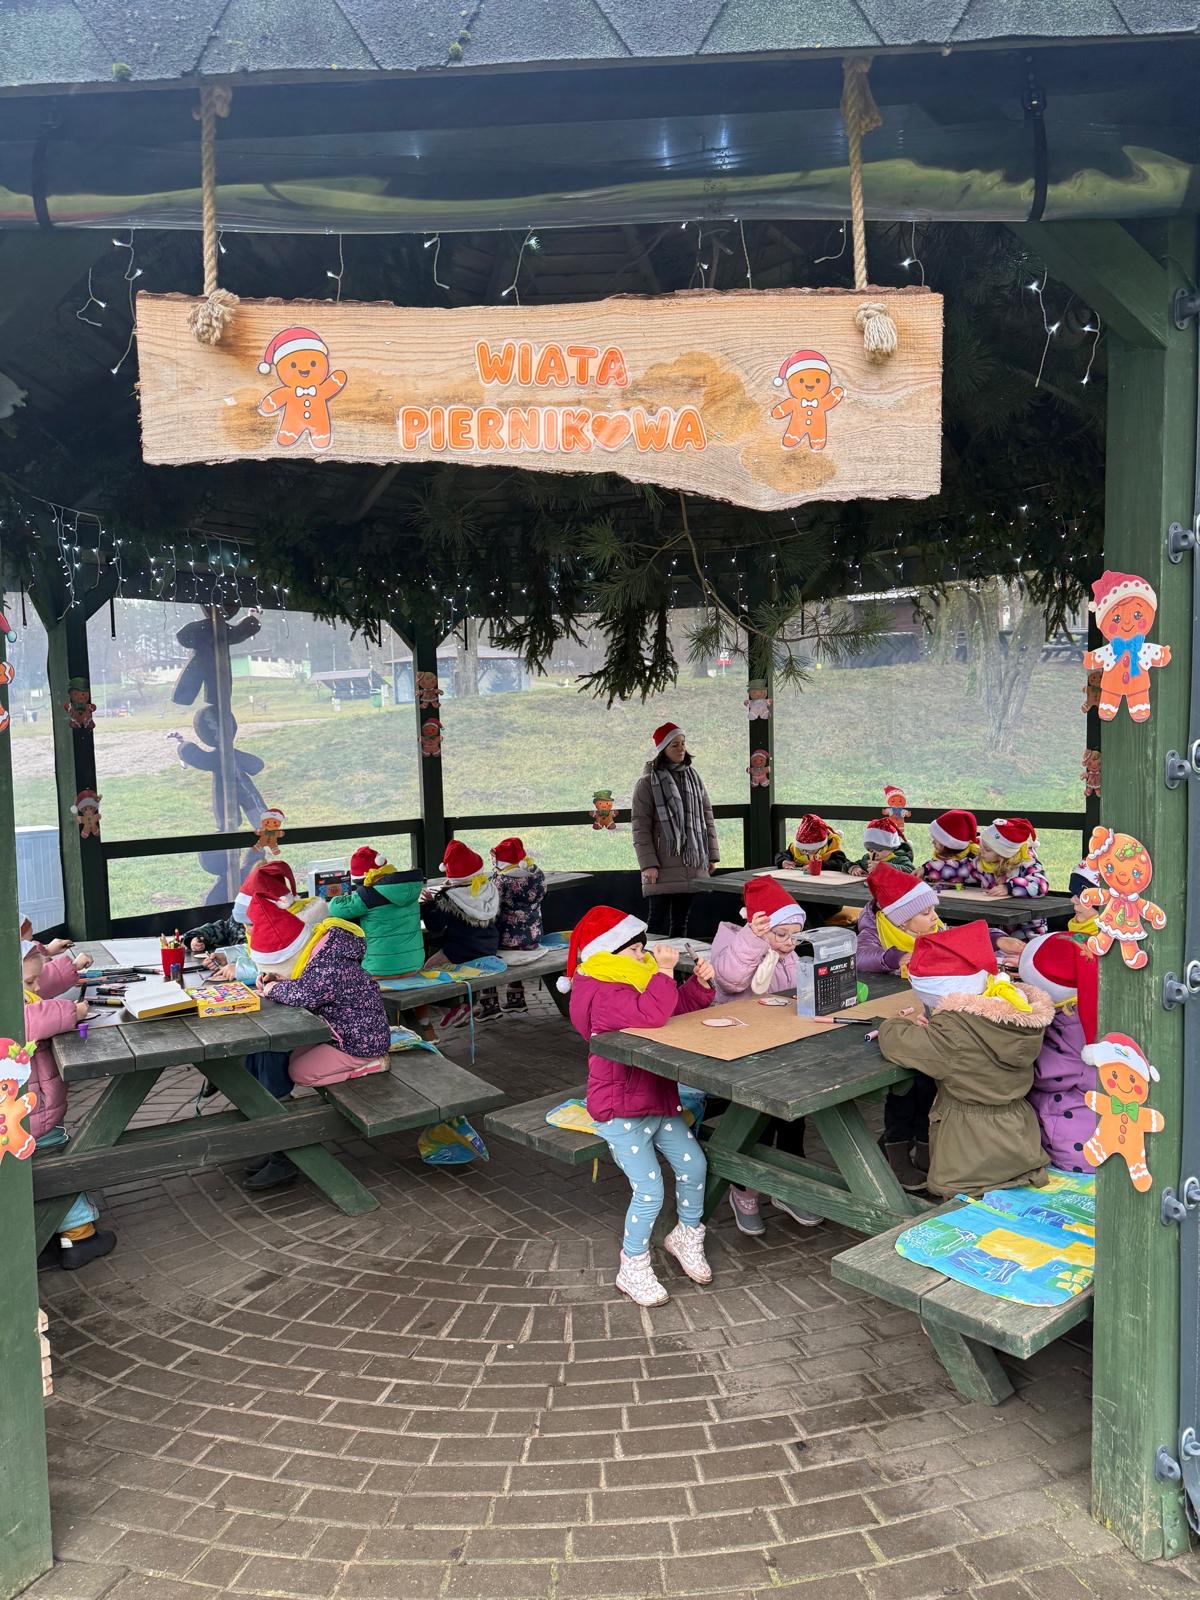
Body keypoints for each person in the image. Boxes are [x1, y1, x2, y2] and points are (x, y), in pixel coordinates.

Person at [562, 904, 716, 1306]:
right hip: (620, 1109)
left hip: (655, 1099)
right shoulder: (601, 990)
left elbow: (669, 1010)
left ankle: (686, 1234)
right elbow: (652, 1013)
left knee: (694, 1165)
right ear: (608, 953)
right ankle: (632, 1264)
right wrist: (663, 972)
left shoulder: (632, 978)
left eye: (642, 948)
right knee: (649, 1190)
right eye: (634, 949)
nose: (643, 955)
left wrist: (697, 986)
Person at [875, 920, 1051, 1199]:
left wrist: (899, 1022)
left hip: (969, 1148)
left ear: (941, 997)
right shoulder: (1015, 1013)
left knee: (968, 1199)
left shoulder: (951, 1036)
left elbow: (896, 1042)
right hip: (1020, 1137)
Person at [242, 894, 390, 1190]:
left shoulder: (328, 967)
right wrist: (275, 980)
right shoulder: (321, 954)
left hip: (360, 1043)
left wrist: (272, 989)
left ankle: (370, 1065)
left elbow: (307, 993)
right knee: (281, 1057)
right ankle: (279, 1143)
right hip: (343, 1033)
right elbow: (304, 983)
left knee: (298, 1073)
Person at [709, 877, 820, 1234]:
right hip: (742, 1050)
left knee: (793, 1118)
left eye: (795, 936)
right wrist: (754, 940)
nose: (790, 942)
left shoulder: (787, 954)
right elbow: (730, 981)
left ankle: (788, 1186)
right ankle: (745, 1190)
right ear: (757, 926)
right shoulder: (734, 944)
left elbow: (791, 994)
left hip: (779, 1047)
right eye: (781, 934)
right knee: (754, 1120)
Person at [22, 940, 117, 1268]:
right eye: (30, 982)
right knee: (60, 1167)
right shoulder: (10, 1007)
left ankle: (46, 1232)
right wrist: (71, 1012)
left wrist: (68, 967)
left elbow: (41, 982)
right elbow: (30, 1020)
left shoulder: (19, 986)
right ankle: (79, 1237)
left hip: (28, 1112)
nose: (37, 987)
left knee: (38, 1169)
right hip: (31, 1115)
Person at [856, 863, 944, 1190]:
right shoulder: (876, 931)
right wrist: (895, 957)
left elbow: (956, 942)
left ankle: (925, 1147)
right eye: (926, 912)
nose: (935, 917)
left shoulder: (935, 930)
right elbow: (861, 956)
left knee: (929, 1086)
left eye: (933, 909)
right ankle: (896, 1150)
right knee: (903, 1090)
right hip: (891, 1021)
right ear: (902, 920)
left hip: (925, 1019)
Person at [1019, 933, 1099, 1174]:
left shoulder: (1069, 1029)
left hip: (1072, 1141)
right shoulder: (1090, 1011)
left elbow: (1045, 1075)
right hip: (1094, 1127)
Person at [631, 722, 719, 939]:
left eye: (683, 743)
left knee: (681, 922)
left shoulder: (694, 778)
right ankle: (647, 960)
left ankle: (678, 962)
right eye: (674, 745)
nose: (681, 749)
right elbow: (640, 827)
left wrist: (711, 855)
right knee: (656, 922)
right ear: (663, 749)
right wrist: (648, 864)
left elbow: (707, 817)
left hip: (692, 862)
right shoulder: (647, 783)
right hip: (661, 865)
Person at [420, 840, 501, 1029]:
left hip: (463, 950)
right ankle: (464, 1006)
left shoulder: (450, 897)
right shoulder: (489, 888)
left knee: (428, 970)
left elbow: (434, 925)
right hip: (490, 946)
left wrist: (429, 904)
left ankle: (453, 1008)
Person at [326, 845, 424, 978]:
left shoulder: (368, 895)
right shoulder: (410, 889)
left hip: (379, 970)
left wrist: (342, 897)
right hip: (414, 966)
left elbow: (336, 909)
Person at [478, 836, 546, 1021]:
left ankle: (489, 1005)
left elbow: (491, 906)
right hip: (533, 937)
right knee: (514, 947)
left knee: (485, 950)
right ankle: (516, 999)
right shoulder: (537, 875)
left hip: (507, 941)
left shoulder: (502, 880)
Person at [976, 817, 1049, 940]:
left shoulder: (1027, 862)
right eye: (981, 845)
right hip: (998, 926)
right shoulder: (984, 862)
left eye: (987, 849)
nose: (981, 852)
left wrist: (1009, 887)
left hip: (1028, 932)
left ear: (1003, 853)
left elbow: (1041, 885)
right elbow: (962, 871)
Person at [920, 809, 983, 888]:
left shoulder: (972, 862)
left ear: (950, 845)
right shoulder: (940, 857)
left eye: (937, 840)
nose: (933, 842)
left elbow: (958, 873)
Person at [773, 813, 853, 873]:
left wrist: (819, 865)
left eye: (810, 850)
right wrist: (783, 861)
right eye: (802, 849)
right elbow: (781, 855)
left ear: (820, 846)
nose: (805, 852)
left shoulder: (831, 850)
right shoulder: (794, 849)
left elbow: (842, 862)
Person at [847, 816, 914, 877]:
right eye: (870, 850)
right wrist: (854, 868)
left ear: (891, 849)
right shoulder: (867, 858)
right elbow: (848, 864)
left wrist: (884, 867)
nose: (875, 854)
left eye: (879, 850)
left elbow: (911, 871)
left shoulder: (900, 859)